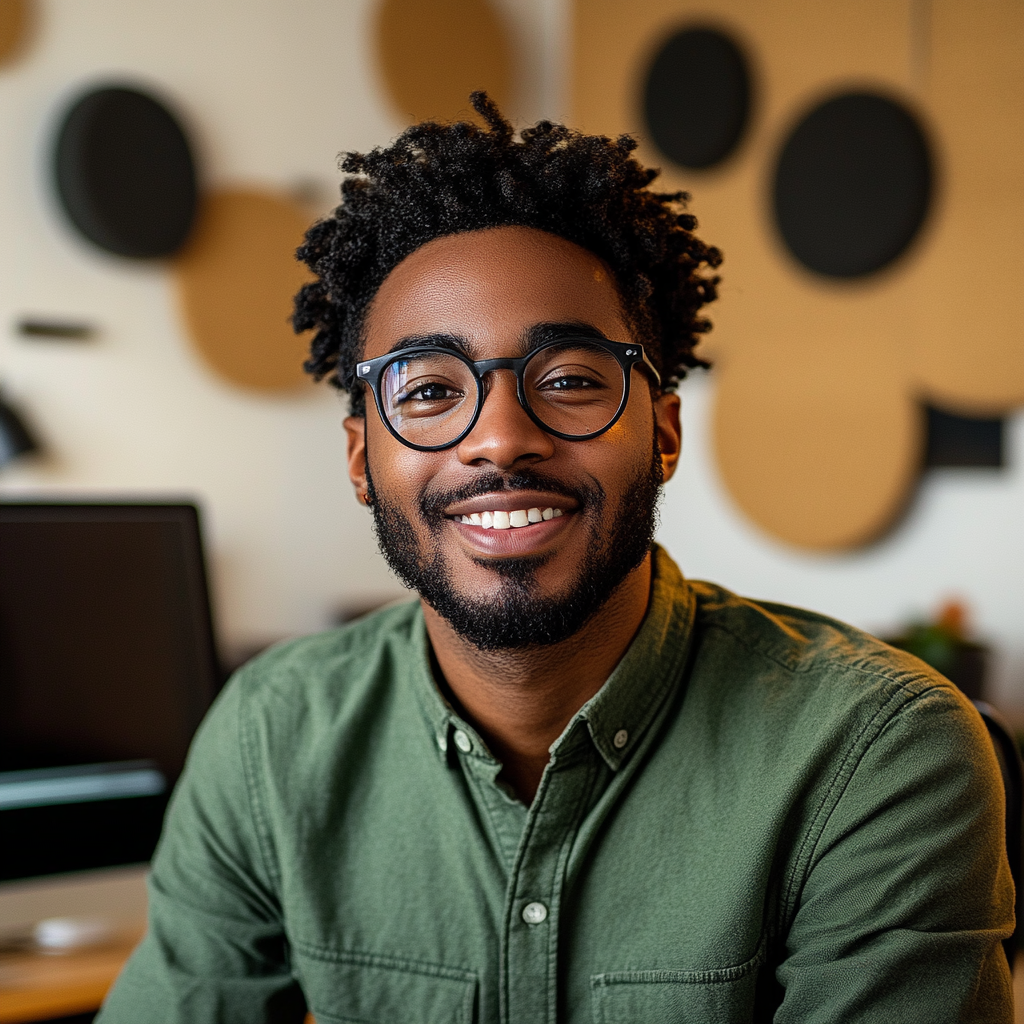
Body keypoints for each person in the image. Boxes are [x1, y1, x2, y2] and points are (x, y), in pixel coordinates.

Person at [97, 94, 1014, 1023]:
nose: (499, 437)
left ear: (661, 433)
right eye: (427, 389)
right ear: (359, 460)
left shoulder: (876, 754)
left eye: (570, 380)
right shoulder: (268, 736)